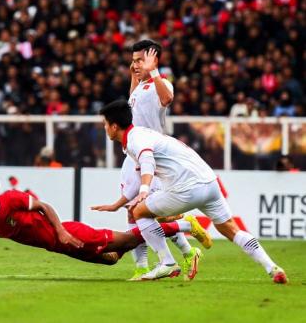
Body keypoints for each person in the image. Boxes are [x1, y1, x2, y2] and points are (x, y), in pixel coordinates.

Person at [99, 100, 287, 283]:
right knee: (230, 229)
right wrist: (117, 204)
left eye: (105, 124)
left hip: (186, 188)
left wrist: (145, 190)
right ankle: (272, 268)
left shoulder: (135, 140)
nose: (105, 128)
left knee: (138, 211)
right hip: (210, 183)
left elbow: (147, 160)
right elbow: (141, 172)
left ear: (114, 126)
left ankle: (167, 262)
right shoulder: (141, 135)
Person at [0, 172, 206, 278]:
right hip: (61, 248)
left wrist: (61, 231)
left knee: (128, 239)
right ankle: (169, 236)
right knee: (112, 258)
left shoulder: (10, 200)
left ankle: (183, 224)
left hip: (71, 235)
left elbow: (45, 206)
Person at [100, 39, 200, 280]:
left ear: (153, 61)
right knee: (134, 212)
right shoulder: (138, 88)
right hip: (132, 155)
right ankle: (158, 261)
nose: (134, 65)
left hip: (151, 157)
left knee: (143, 212)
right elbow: (133, 105)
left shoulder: (161, 83)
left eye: (139, 60)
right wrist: (136, 74)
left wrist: (153, 70)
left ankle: (180, 241)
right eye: (132, 61)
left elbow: (166, 100)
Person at [91, 155, 205, 281]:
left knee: (148, 215)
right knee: (135, 214)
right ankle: (145, 267)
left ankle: (185, 235)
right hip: (134, 163)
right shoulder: (130, 146)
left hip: (146, 168)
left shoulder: (141, 142)